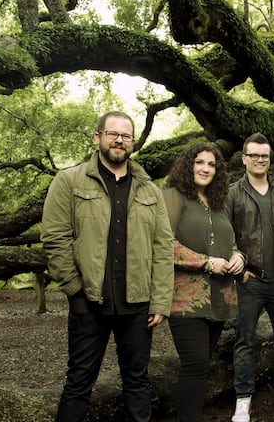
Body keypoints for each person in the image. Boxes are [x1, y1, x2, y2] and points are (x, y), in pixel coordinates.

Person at [41, 111, 175, 422]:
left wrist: (160, 302)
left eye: (125, 136)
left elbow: (162, 247)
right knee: (78, 383)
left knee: (137, 382)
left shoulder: (150, 191)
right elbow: (55, 238)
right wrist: (75, 290)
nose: (118, 140)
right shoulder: (69, 181)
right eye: (112, 133)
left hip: (138, 305)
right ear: (98, 136)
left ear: (133, 142)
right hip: (89, 302)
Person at [162, 142, 247, 422]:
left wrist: (238, 257)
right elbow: (164, 243)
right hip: (186, 299)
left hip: (219, 298)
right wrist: (206, 262)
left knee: (201, 366)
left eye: (211, 164)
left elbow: (229, 242)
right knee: (195, 365)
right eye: (199, 162)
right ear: (188, 165)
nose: (205, 169)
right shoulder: (172, 196)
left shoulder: (218, 203)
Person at [227, 133, 274, 422]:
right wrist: (239, 267)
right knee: (244, 341)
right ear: (244, 158)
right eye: (254, 155)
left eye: (264, 156)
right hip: (249, 281)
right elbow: (225, 234)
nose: (260, 160)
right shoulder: (233, 193)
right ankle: (243, 399)